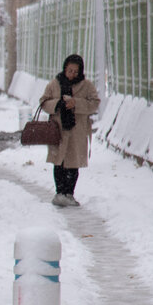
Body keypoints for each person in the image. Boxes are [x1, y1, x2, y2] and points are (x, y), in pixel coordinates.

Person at [40, 53, 100, 207]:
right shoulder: (54, 84)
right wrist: (58, 104)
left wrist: (77, 104)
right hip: (58, 130)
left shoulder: (87, 86)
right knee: (58, 162)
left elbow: (94, 103)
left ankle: (69, 194)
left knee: (73, 163)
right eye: (70, 70)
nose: (72, 74)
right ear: (65, 69)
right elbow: (43, 102)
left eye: (76, 71)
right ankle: (59, 192)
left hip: (77, 131)